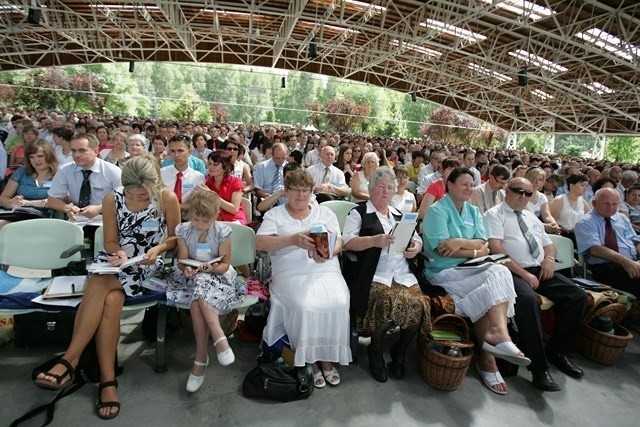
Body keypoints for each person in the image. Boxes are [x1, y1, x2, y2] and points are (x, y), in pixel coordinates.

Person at [33, 155, 181, 420]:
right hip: (117, 262)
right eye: (132, 193)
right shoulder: (113, 198)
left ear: (153, 183)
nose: (136, 197)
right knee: (111, 299)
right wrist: (118, 254)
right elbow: (111, 241)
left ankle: (70, 359)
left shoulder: (166, 198)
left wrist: (157, 248)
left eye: (142, 193)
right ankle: (107, 381)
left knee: (100, 282)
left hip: (149, 264)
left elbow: (174, 237)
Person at [422, 167, 529, 395]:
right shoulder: (437, 211)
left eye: (471, 185)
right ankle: (491, 353)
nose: (469, 189)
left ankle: (497, 338)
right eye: (463, 184)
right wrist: (474, 250)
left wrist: (460, 242)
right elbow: (443, 251)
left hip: (471, 269)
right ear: (449, 185)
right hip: (443, 272)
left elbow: (484, 242)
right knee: (496, 278)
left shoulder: (472, 211)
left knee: (498, 273)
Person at [484, 177, 587, 392]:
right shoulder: (495, 215)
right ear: (507, 191)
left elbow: (549, 247)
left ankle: (558, 351)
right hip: (510, 271)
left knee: (577, 296)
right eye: (517, 191)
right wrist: (523, 274)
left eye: (527, 193)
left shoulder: (531, 217)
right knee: (528, 301)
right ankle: (540, 369)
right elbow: (496, 249)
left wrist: (549, 260)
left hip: (539, 269)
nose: (522, 196)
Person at [256, 170, 351, 388]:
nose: (300, 195)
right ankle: (310, 359)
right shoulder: (276, 215)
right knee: (305, 304)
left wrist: (327, 253)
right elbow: (259, 243)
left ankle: (326, 357)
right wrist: (291, 240)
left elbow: (338, 241)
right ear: (286, 192)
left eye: (305, 190)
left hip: (323, 267)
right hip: (289, 270)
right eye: (295, 190)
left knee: (339, 300)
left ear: (311, 192)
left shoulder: (323, 213)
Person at [342, 167, 430, 383]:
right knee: (387, 301)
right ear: (371, 189)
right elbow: (346, 243)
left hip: (402, 273)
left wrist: (415, 247)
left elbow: (417, 239)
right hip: (375, 274)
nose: (385, 191)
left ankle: (399, 351)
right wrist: (374, 241)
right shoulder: (359, 212)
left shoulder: (400, 215)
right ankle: (376, 350)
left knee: (420, 305)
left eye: (390, 187)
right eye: (381, 186)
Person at [165, 190, 242, 392]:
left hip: (218, 278)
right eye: (195, 219)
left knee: (199, 294)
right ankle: (218, 339)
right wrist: (187, 268)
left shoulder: (223, 232)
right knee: (199, 285)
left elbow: (225, 265)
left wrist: (210, 268)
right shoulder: (182, 230)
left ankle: (201, 359)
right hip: (191, 279)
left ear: (215, 216)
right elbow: (182, 261)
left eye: (204, 221)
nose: (198, 224)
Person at [575, 187, 640, 297]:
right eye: (606, 204)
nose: (611, 208)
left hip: (632, 262)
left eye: (615, 204)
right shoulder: (585, 223)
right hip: (607, 268)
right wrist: (626, 262)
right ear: (594, 203)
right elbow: (595, 249)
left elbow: (634, 240)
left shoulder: (622, 219)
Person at [47, 133, 122, 221]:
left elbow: (125, 200)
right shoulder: (65, 170)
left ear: (95, 151)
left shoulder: (112, 171)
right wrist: (67, 208)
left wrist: (100, 208)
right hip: (76, 218)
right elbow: (52, 199)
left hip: (106, 219)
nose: (76, 155)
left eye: (82, 150)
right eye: (73, 151)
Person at [0, 141, 58, 226]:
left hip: (45, 217)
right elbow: (4, 197)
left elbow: (62, 201)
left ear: (49, 156)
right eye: (32, 157)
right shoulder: (21, 172)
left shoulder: (59, 174)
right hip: (18, 214)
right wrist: (12, 203)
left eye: (40, 156)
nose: (36, 160)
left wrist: (27, 203)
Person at [161, 135, 206, 218]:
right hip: (163, 218)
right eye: (172, 151)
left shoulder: (198, 177)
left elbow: (196, 204)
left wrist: (173, 207)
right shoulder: (162, 174)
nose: (176, 155)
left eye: (180, 151)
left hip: (188, 220)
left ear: (189, 152)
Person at [201, 151, 247, 224]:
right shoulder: (207, 183)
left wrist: (213, 196)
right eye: (209, 164)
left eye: (215, 164)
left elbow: (234, 209)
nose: (211, 167)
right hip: (215, 220)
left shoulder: (236, 182)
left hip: (234, 220)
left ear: (225, 166)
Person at [549, 174, 591, 243]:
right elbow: (552, 220)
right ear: (572, 186)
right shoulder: (559, 200)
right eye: (582, 185)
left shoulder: (583, 202)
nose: (585, 188)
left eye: (586, 186)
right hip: (562, 236)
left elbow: (589, 219)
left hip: (579, 236)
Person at [524, 167, 561, 235]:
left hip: (536, 229)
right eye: (534, 178)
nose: (537, 182)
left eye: (540, 180)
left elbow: (547, 215)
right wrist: (543, 226)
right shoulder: (520, 195)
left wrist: (554, 225)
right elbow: (525, 218)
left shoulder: (542, 197)